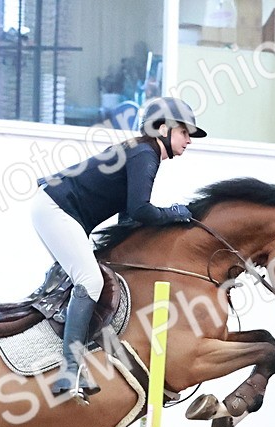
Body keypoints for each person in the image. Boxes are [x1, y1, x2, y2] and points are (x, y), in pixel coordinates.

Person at [32, 95, 207, 403]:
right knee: (91, 281)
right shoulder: (144, 154)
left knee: (95, 277)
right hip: (56, 210)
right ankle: (69, 372)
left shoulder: (141, 152)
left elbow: (128, 216)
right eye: (184, 132)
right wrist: (176, 213)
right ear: (163, 128)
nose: (188, 141)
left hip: (59, 210)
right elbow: (141, 210)